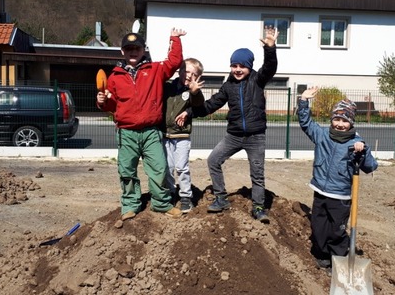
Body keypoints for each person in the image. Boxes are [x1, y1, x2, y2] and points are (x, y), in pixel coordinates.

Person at [178, 27, 278, 223]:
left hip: (255, 137)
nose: (238, 69)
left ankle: (258, 207)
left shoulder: (258, 80)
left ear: (249, 67)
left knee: (257, 173)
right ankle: (221, 198)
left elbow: (270, 66)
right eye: (234, 65)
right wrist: (189, 112)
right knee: (213, 160)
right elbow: (210, 105)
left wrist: (270, 48)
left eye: (242, 66)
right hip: (233, 135)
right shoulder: (228, 86)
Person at [96, 28, 187, 221]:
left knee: (160, 168)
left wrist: (175, 39)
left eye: (136, 48)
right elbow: (112, 105)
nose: (133, 52)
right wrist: (103, 101)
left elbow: (174, 62)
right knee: (126, 170)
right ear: (122, 51)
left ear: (143, 49)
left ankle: (161, 203)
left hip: (151, 132)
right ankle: (130, 205)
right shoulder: (114, 77)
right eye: (128, 48)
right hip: (126, 132)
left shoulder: (155, 70)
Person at [297, 86, 378, 273]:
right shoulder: (322, 135)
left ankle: (339, 262)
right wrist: (303, 101)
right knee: (318, 227)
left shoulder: (356, 143)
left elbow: (370, 167)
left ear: (351, 122)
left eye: (344, 120)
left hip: (340, 196)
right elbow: (306, 123)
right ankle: (323, 257)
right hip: (320, 190)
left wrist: (363, 151)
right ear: (332, 119)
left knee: (336, 230)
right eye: (337, 119)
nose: (340, 124)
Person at [162, 58, 205, 213]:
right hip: (166, 134)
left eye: (193, 74)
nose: (188, 76)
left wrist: (195, 93)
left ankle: (186, 196)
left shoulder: (193, 91)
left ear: (198, 77)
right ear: (179, 71)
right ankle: (171, 192)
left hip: (182, 136)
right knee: (168, 167)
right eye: (186, 71)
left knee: (182, 167)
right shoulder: (168, 87)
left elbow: (200, 106)